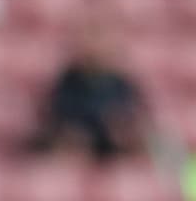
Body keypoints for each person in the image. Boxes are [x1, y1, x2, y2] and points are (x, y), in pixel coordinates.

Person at [27, 13, 151, 161]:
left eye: (102, 38)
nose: (95, 45)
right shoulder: (65, 84)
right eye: (91, 37)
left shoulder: (124, 86)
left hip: (113, 155)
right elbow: (55, 124)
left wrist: (124, 133)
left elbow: (136, 123)